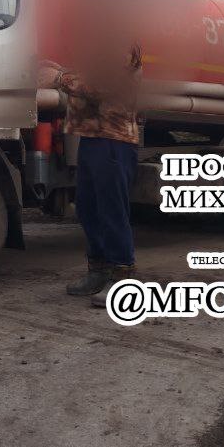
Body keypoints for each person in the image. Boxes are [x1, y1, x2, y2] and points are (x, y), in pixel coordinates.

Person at [39, 45, 142, 304]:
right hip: (91, 136)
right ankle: (99, 270)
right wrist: (61, 70)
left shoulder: (123, 42)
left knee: (112, 210)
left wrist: (59, 78)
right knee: (88, 208)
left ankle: (124, 277)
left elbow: (104, 86)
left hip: (114, 139)